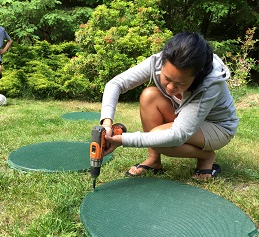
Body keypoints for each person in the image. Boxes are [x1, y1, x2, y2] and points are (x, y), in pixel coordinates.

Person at [100, 32, 239, 180]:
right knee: (149, 96)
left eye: (181, 83)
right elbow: (116, 83)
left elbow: (177, 135)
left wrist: (123, 140)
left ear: (197, 75)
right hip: (184, 115)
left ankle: (206, 156)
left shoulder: (211, 83)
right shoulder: (159, 60)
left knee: (160, 138)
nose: (171, 87)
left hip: (217, 127)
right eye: (167, 78)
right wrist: (107, 123)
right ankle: (154, 160)